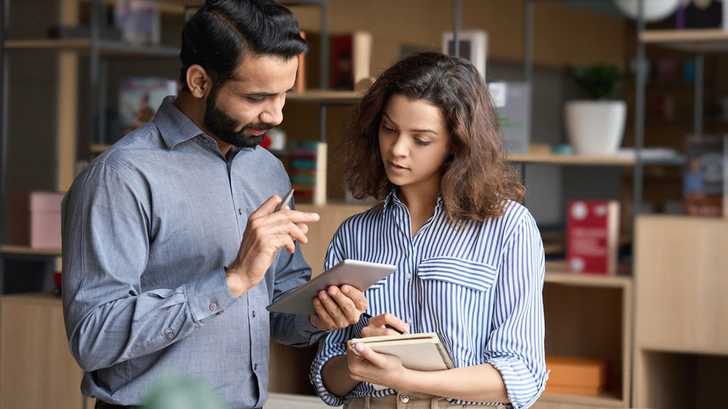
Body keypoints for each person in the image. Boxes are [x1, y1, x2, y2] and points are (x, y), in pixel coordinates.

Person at [61, 1, 367, 408]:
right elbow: (93, 338)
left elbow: (274, 313)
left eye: (284, 95)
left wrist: (317, 314)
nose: (275, 115)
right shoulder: (120, 177)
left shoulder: (267, 171)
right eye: (258, 96)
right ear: (200, 81)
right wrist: (231, 280)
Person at [310, 51, 548, 409]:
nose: (397, 149)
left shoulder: (510, 229)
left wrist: (405, 378)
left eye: (421, 139)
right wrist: (359, 360)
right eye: (389, 129)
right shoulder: (354, 234)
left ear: (456, 144)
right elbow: (328, 378)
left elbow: (521, 374)